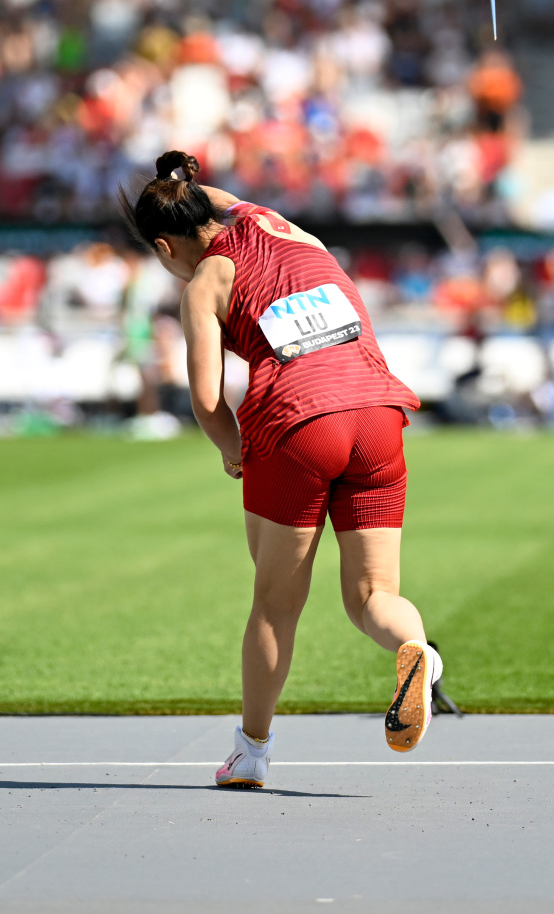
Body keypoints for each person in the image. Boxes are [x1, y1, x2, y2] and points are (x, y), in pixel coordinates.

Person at [120, 150, 444, 789]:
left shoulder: (203, 285)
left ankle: (252, 752)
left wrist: (232, 449)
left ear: (165, 245)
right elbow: (212, 196)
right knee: (374, 596)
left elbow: (209, 403)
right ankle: (418, 652)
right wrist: (180, 179)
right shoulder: (275, 221)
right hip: (378, 412)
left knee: (274, 606)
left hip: (299, 424)